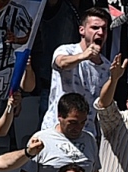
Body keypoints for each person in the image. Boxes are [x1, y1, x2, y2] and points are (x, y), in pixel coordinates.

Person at [17, 92, 103, 172]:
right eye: (73, 122)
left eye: (82, 122)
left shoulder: (89, 139)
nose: (78, 127)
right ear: (60, 117)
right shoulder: (40, 139)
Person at [42, 7, 111, 136]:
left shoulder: (107, 65)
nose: (100, 32)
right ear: (82, 30)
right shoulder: (66, 50)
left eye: (104, 28)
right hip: (57, 129)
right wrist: (83, 56)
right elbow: (61, 63)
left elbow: (103, 103)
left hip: (86, 132)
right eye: (95, 28)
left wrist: (115, 78)